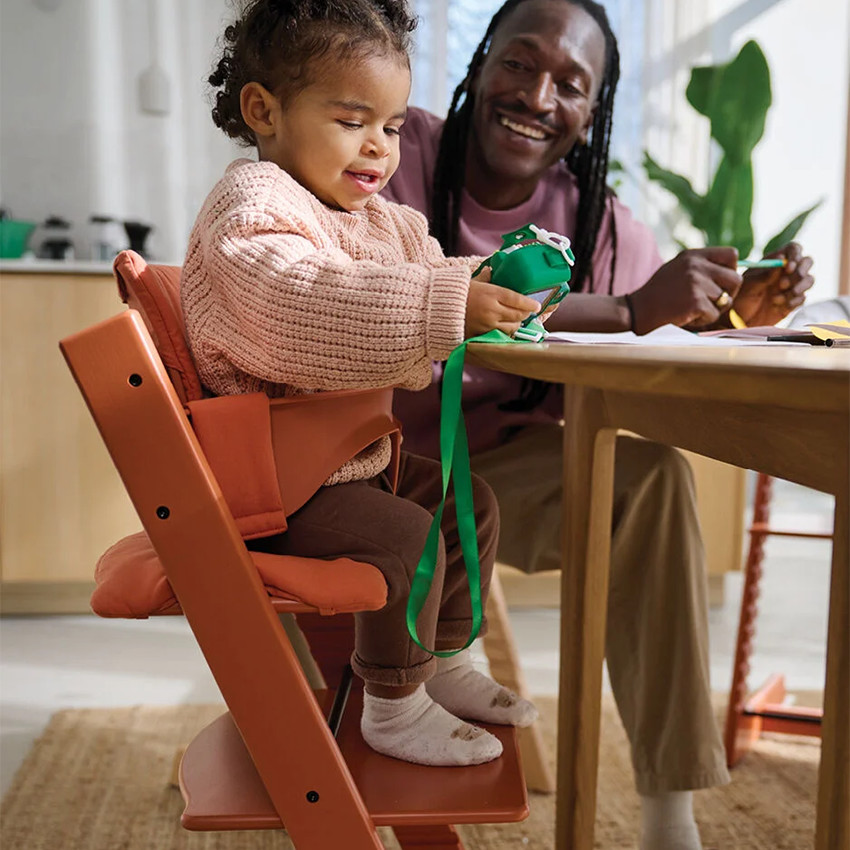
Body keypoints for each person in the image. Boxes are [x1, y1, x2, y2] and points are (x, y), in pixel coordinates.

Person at [382, 0, 815, 846]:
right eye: (520, 62)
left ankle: (668, 813)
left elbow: (660, 348)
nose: (538, 95)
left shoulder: (599, 222)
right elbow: (403, 290)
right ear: (480, 63)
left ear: (592, 111)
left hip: (491, 489)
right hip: (367, 475)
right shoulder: (396, 153)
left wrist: (729, 320)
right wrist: (623, 307)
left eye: (571, 85)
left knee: (650, 479)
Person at [181, 0, 540, 769]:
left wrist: (495, 278)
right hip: (274, 482)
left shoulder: (382, 219)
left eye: (394, 125)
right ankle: (395, 702)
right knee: (405, 540)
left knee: (464, 506)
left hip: (348, 461)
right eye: (352, 120)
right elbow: (301, 304)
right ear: (264, 111)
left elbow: (434, 269)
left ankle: (442, 664)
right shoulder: (251, 209)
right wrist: (445, 304)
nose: (379, 147)